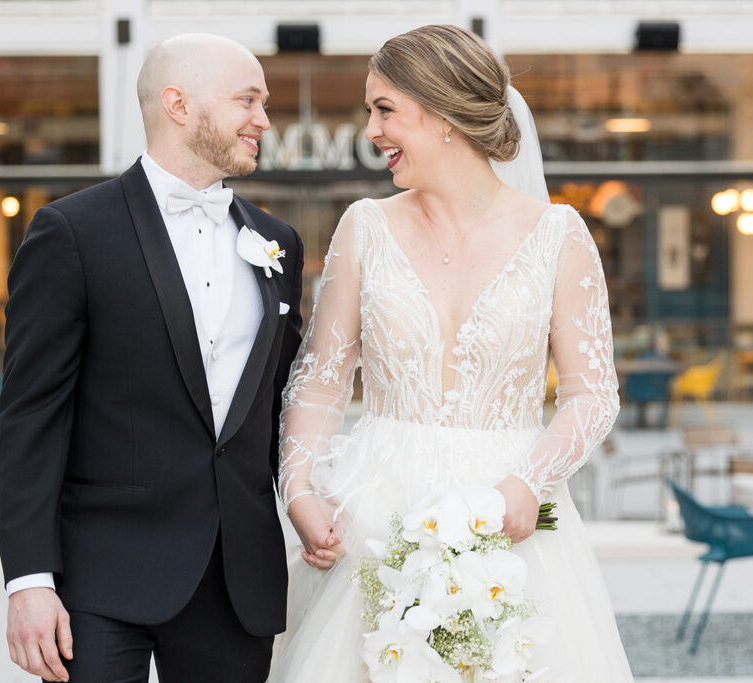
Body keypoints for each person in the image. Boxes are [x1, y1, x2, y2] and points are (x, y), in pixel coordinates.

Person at [271, 24, 633, 682]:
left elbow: (592, 393)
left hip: (515, 516)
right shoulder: (364, 226)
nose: (372, 130)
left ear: (441, 114)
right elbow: (321, 382)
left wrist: (530, 484)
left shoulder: (558, 234)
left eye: (385, 109)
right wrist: (298, 488)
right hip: (376, 517)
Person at [0, 33, 303, 683]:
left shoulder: (278, 243)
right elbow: (30, 420)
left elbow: (284, 402)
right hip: (99, 576)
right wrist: (28, 578)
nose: (264, 121)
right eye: (247, 100)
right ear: (178, 104)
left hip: (235, 579)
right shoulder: (71, 233)